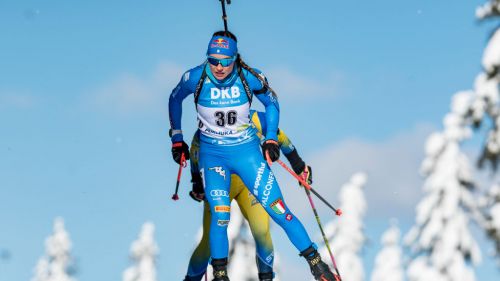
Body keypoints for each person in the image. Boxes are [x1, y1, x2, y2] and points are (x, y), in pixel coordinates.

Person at [169, 30, 338, 281]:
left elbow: (272, 103)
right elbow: (174, 99)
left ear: (235, 58)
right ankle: (220, 275)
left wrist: (270, 138)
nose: (218, 66)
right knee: (220, 217)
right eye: (213, 60)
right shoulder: (195, 77)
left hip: (247, 155)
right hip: (214, 158)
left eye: (225, 61)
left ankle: (317, 265)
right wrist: (177, 138)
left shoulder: (249, 77)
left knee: (279, 212)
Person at [184, 110, 313, 281]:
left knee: (262, 232)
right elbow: (195, 155)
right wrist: (197, 184)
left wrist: (299, 166)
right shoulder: (206, 127)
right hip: (221, 184)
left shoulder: (255, 119)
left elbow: (281, 139)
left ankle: (266, 277)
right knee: (208, 243)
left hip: (250, 185)